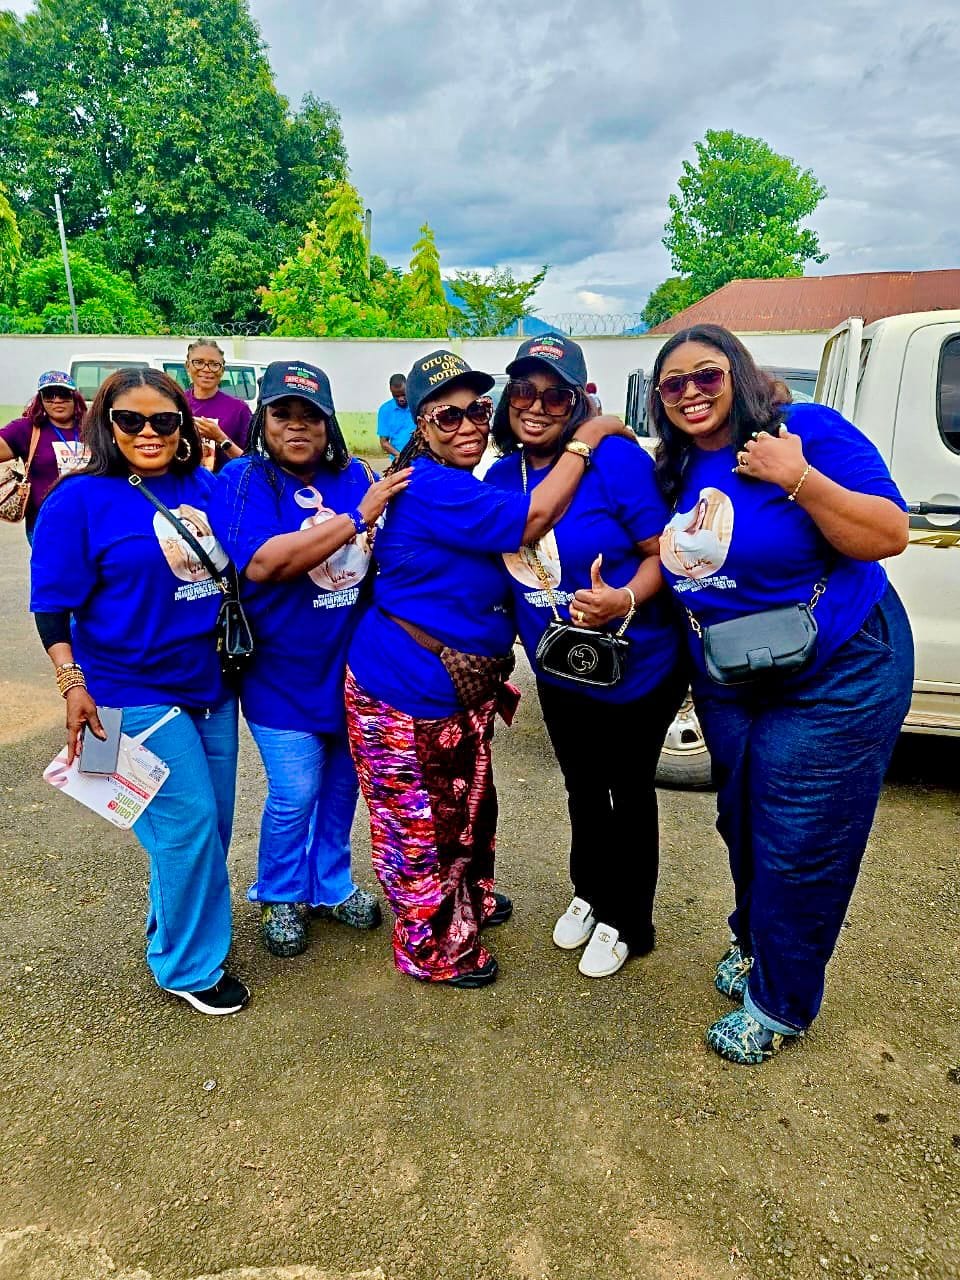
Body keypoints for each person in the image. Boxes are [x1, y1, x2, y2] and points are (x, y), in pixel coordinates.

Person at [649, 324, 913, 1064]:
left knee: (801, 838)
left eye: (707, 375)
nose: (692, 393)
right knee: (742, 819)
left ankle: (781, 1003)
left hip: (839, 663)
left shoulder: (808, 432)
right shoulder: (672, 469)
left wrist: (796, 478)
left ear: (737, 371)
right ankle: (752, 938)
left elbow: (888, 533)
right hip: (732, 675)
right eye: (674, 385)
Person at [344, 350, 628, 989]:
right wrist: (586, 438)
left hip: (454, 686)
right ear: (421, 422)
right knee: (419, 822)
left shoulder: (462, 480)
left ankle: (465, 899)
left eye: (478, 409)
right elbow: (531, 520)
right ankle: (432, 947)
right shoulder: (431, 485)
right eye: (449, 416)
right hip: (406, 688)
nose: (469, 424)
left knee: (465, 808)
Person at [30, 368, 248, 1016]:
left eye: (164, 420)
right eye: (132, 420)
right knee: (187, 826)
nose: (148, 432)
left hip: (209, 681)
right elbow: (51, 607)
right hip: (128, 688)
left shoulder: (200, 485)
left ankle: (176, 930)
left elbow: (248, 514)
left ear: (185, 426)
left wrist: (226, 445)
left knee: (210, 827)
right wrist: (72, 685)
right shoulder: (77, 500)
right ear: (107, 423)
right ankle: (186, 966)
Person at [486, 336, 685, 978]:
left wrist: (623, 597)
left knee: (626, 789)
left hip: (637, 662)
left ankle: (631, 919)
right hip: (558, 665)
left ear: (578, 402)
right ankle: (591, 891)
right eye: (524, 391)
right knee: (580, 785)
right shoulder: (499, 474)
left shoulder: (617, 461)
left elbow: (666, 553)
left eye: (555, 395)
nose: (536, 406)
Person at [209, 361, 411, 958]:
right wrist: (356, 519)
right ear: (263, 421)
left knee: (343, 790)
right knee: (294, 792)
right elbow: (264, 563)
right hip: (279, 676)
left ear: (328, 423)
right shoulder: (244, 479)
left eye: (311, 416)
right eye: (283, 414)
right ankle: (279, 892)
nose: (298, 427)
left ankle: (330, 884)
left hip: (352, 674)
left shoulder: (355, 475)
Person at [0, 371, 88, 543]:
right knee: (53, 569)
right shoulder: (26, 429)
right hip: (46, 524)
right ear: (40, 400)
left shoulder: (93, 427)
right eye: (49, 395)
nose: (57, 400)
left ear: (75, 397)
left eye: (63, 394)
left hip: (90, 521)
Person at [182, 339, 251, 471]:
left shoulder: (239, 409)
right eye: (199, 362)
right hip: (183, 486)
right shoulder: (177, 403)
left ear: (222, 370)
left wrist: (221, 438)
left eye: (214, 364)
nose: (206, 369)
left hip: (224, 486)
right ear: (187, 366)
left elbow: (250, 464)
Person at [377, 374, 413, 459]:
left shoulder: (416, 405)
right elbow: (384, 442)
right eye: (396, 396)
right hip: (398, 459)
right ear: (391, 391)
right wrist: (401, 457)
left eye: (404, 394)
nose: (401, 399)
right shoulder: (385, 410)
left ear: (408, 388)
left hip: (421, 459)